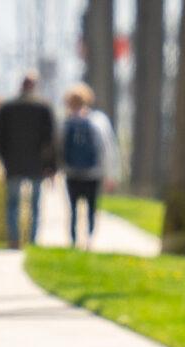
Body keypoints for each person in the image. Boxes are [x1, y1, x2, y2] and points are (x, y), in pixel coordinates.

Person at [0, 72, 57, 248]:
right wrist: (51, 166)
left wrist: (3, 157)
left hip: (13, 163)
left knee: (13, 203)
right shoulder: (43, 108)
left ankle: (14, 240)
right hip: (36, 164)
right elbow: (50, 139)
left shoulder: (7, 107)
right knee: (34, 204)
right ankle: (32, 240)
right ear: (34, 86)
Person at [60, 83, 120, 249]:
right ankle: (89, 239)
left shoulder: (66, 123)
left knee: (72, 209)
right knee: (91, 209)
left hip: (72, 173)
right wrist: (111, 175)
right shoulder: (98, 121)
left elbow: (60, 148)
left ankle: (73, 240)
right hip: (93, 173)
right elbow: (108, 148)